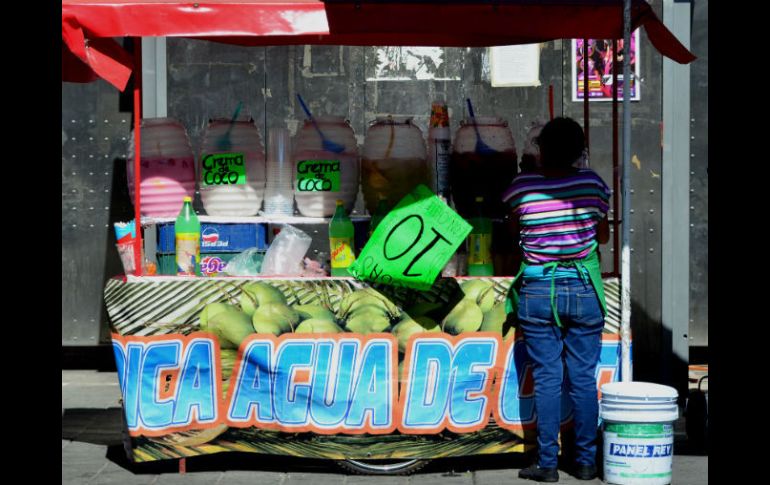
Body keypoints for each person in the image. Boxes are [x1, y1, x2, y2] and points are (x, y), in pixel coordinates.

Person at [502, 117, 610, 483]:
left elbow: (514, 233)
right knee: (582, 379)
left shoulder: (522, 186)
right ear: (580, 151)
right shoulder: (592, 183)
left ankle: (547, 464)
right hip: (583, 289)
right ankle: (585, 462)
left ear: (541, 149)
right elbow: (603, 237)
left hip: (538, 291)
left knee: (547, 378)